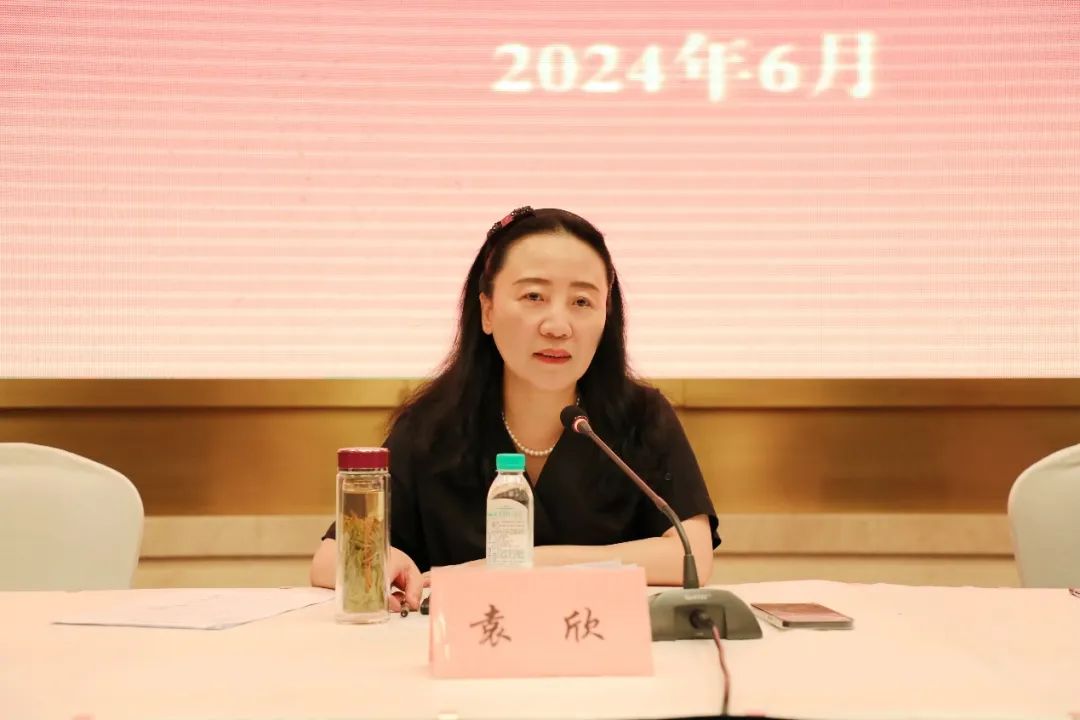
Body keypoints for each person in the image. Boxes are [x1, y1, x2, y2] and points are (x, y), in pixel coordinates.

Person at [310, 207, 720, 611]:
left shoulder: (641, 417)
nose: (557, 326)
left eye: (582, 301)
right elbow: (329, 559)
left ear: (606, 316)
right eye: (533, 296)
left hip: (598, 646)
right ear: (488, 311)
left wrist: (519, 566)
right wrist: (382, 563)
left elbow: (692, 555)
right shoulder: (433, 425)